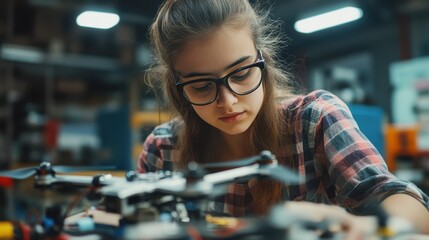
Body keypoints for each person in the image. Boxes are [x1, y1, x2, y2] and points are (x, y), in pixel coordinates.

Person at [138, 0, 429, 236]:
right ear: (176, 87)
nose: (228, 101)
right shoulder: (162, 150)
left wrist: (366, 225)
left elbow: (409, 206)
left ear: (262, 60)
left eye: (241, 73)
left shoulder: (315, 119)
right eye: (201, 86)